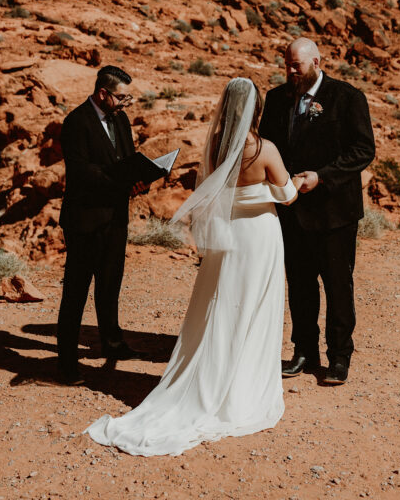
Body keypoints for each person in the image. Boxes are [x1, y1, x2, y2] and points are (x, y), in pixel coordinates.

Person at [86, 77, 298, 456]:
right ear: (257, 110)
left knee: (221, 305)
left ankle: (209, 377)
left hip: (229, 237)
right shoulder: (265, 149)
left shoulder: (217, 145)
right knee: (255, 307)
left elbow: (216, 188)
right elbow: (287, 194)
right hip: (259, 236)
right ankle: (242, 389)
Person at [259, 37, 375, 386]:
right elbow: (268, 145)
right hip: (292, 211)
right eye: (288, 65)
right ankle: (304, 350)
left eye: (298, 65)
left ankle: (339, 357)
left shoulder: (346, 98)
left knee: (338, 286)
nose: (292, 72)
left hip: (334, 213)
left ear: (317, 62)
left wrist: (321, 177)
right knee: (300, 285)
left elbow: (363, 150)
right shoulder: (276, 99)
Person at [56, 64, 148, 385]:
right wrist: (120, 183)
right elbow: (82, 172)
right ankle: (66, 361)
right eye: (122, 97)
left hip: (115, 218)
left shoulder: (120, 119)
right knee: (76, 292)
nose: (126, 103)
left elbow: (128, 159)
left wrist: (139, 179)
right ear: (103, 93)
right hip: (85, 221)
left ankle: (112, 341)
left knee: (111, 284)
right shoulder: (76, 122)